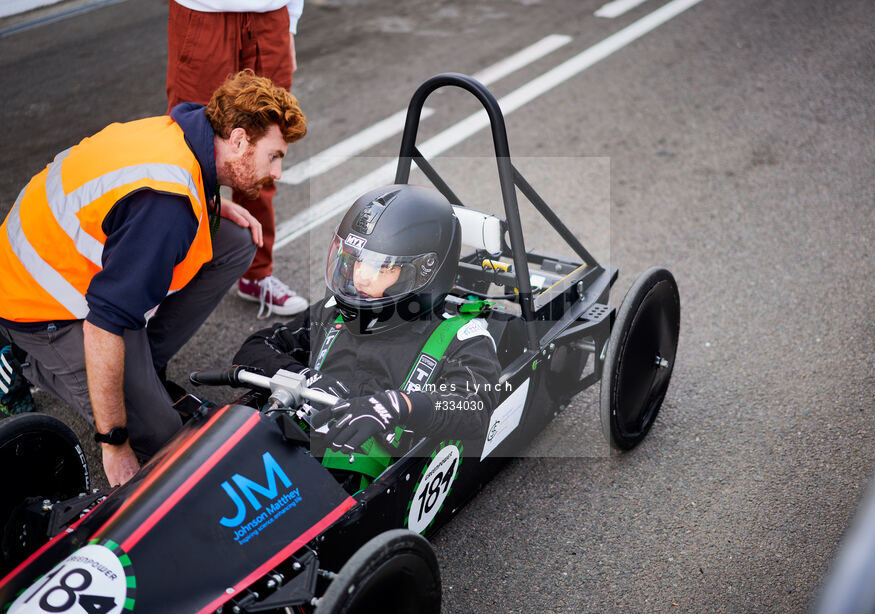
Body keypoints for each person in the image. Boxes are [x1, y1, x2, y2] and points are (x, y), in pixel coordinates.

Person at [0, 70, 307, 487]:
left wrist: (210, 201)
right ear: (237, 140)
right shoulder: (166, 204)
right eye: (274, 156)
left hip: (61, 261)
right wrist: (114, 442)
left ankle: (143, 369)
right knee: (167, 442)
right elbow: (103, 322)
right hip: (38, 304)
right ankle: (21, 360)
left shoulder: (184, 134)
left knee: (234, 241)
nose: (278, 171)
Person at [233, 184, 500, 453]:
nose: (360, 276)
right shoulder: (331, 312)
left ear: (422, 273)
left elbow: (472, 408)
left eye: (381, 266)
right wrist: (306, 378)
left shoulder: (464, 339)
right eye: (356, 260)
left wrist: (399, 405)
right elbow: (254, 348)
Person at [167, 0, 308, 318]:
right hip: (204, 13)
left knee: (265, 151)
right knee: (190, 145)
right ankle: (169, 273)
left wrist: (290, 23)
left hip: (271, 15)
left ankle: (256, 273)